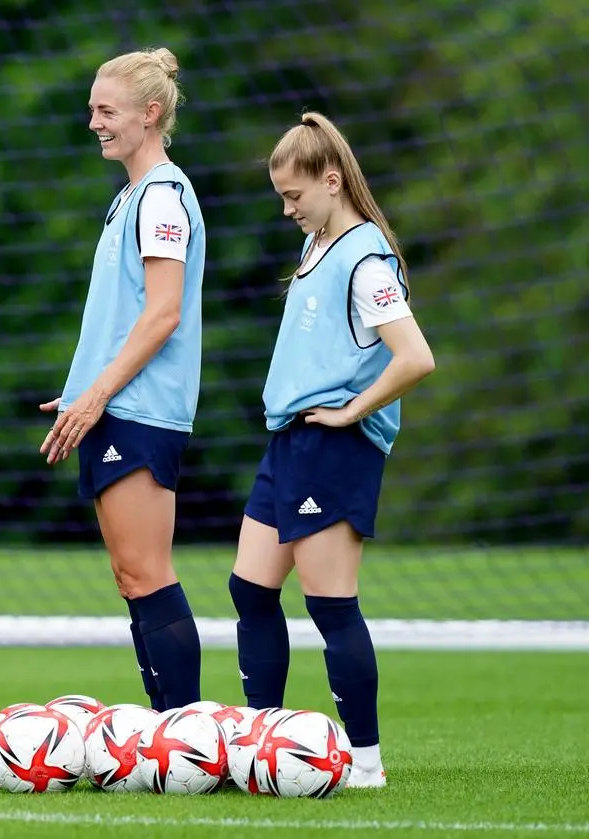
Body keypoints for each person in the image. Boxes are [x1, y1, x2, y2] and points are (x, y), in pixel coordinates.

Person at [229, 112, 436, 789]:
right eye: (280, 198)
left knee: (330, 604)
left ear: (332, 179)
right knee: (250, 587)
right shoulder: (317, 245)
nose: (287, 209)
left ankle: (367, 761)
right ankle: (261, 744)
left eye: (295, 196)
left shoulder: (364, 258)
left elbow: (416, 357)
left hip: (333, 446)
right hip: (289, 440)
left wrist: (351, 410)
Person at [40, 48, 207, 712]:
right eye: (91, 111)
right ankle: (171, 732)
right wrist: (83, 386)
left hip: (141, 408)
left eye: (105, 111)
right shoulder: (128, 199)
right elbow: (122, 317)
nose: (94, 124)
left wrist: (100, 392)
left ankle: (184, 731)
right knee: (130, 575)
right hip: (115, 404)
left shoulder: (163, 196)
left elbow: (162, 313)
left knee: (146, 571)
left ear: (151, 113)